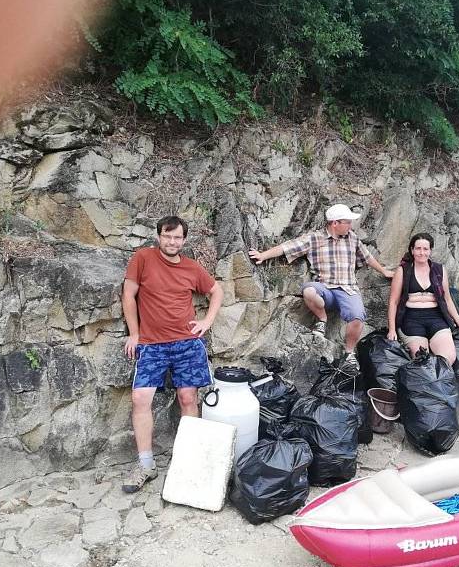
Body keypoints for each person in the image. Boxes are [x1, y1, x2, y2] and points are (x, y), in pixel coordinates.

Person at [121, 216, 224, 493]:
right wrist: (134, 333)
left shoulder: (192, 267)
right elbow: (128, 295)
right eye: (167, 236)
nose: (172, 242)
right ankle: (145, 465)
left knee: (188, 397)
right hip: (152, 344)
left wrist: (206, 322)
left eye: (177, 237)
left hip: (187, 343)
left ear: (184, 240)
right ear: (159, 236)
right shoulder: (143, 258)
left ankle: (190, 459)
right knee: (140, 397)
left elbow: (216, 291)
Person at [248, 203, 394, 372]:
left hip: (348, 289)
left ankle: (349, 353)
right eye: (347, 222)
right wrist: (262, 255)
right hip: (325, 289)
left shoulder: (352, 238)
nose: (350, 225)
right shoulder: (315, 238)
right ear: (335, 223)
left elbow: (367, 258)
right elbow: (287, 247)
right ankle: (321, 321)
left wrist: (384, 271)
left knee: (357, 316)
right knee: (309, 290)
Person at [386, 233, 459, 365]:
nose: (422, 252)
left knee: (448, 357)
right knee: (422, 359)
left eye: (425, 249)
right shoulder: (403, 271)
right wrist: (392, 329)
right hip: (411, 319)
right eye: (418, 248)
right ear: (412, 250)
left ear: (430, 250)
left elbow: (447, 299)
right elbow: (393, 302)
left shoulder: (439, 270)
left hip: (436, 317)